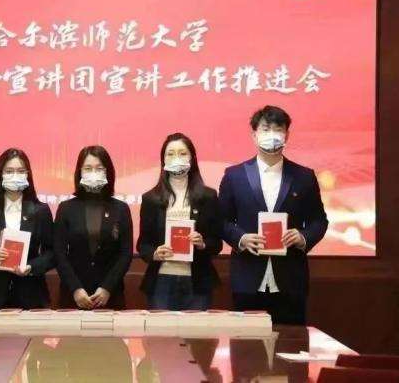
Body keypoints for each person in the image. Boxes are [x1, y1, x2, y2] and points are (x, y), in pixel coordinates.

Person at [218, 105, 328, 324]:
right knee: (246, 343)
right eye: (266, 129)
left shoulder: (304, 176)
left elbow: (319, 220)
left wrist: (303, 237)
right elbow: (220, 220)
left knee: (291, 342)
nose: (272, 135)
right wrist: (240, 238)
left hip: (291, 279)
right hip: (247, 278)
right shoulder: (234, 175)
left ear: (287, 135)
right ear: (254, 135)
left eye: (278, 129)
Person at [137, 133, 222, 310]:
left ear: (192, 158)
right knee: (161, 329)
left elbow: (216, 244)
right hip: (161, 281)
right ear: (163, 160)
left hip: (197, 282)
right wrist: (155, 253)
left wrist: (202, 244)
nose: (176, 158)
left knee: (196, 329)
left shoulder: (208, 196)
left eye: (182, 153)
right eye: (170, 154)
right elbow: (143, 245)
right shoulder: (150, 199)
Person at [0, 148, 54, 309]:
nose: (15, 176)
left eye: (20, 171)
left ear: (28, 174)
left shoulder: (41, 211)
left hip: (32, 293)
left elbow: (52, 253)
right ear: (0, 174)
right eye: (9, 171)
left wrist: (31, 267)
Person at [54, 145, 133, 310]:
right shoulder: (66, 208)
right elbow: (59, 253)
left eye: (99, 168)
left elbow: (125, 254)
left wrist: (107, 288)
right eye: (88, 168)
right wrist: (76, 289)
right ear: (79, 172)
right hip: (74, 296)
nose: (93, 172)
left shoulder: (121, 208)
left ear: (108, 172)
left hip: (110, 295)